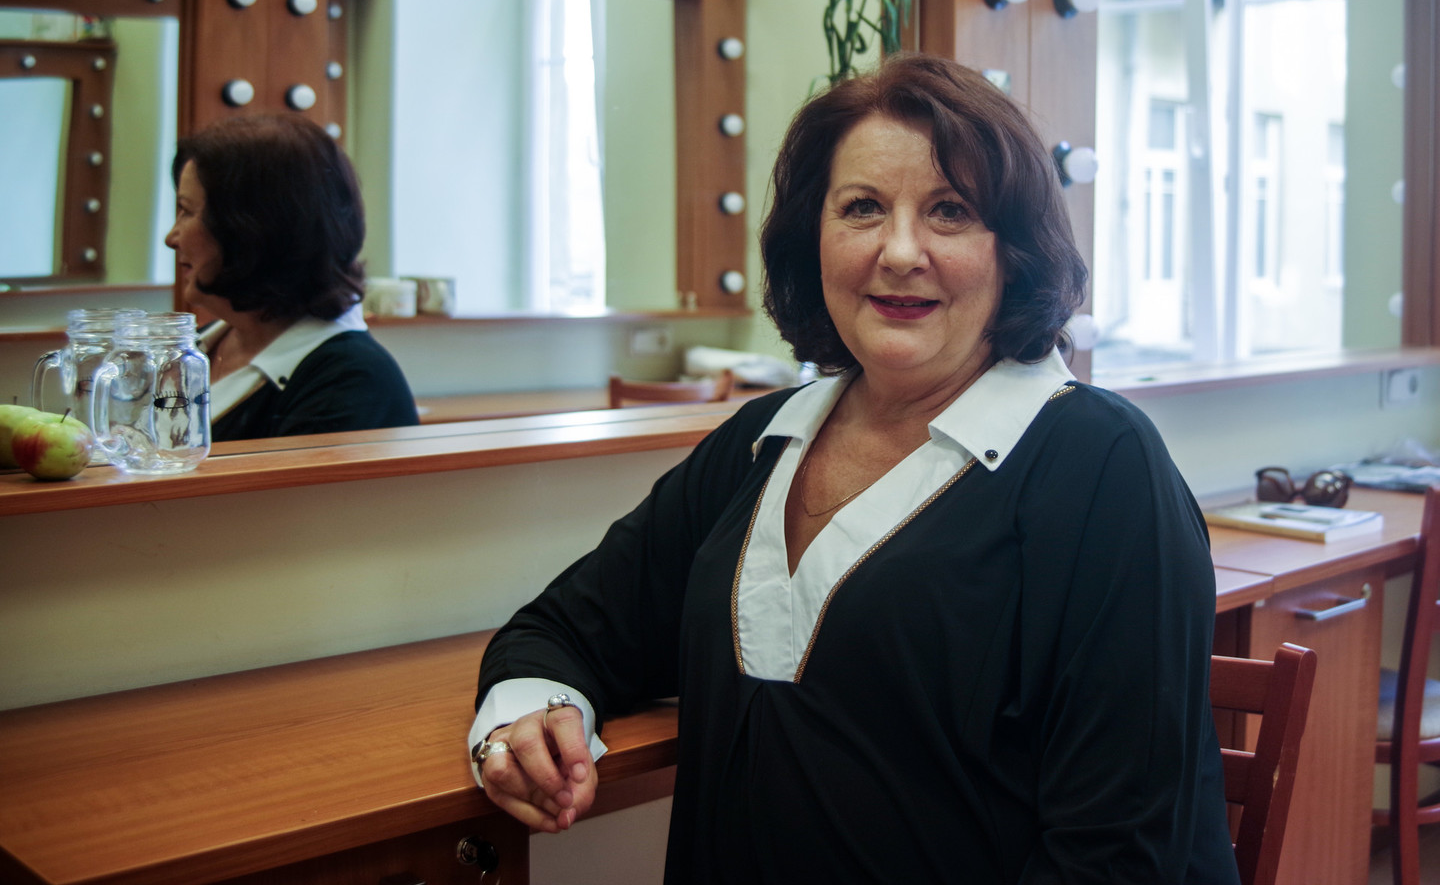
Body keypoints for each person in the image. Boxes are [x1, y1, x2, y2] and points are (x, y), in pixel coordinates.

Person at [469, 55, 1239, 884]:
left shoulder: (1102, 467)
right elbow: (564, 630)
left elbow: (1121, 851)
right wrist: (529, 716)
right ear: (814, 238)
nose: (900, 252)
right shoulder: (760, 442)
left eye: (950, 211)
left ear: (1013, 250)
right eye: (862, 208)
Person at [165, 113, 418, 441]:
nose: (172, 238)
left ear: (252, 231)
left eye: (187, 211)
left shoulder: (351, 384)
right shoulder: (198, 344)